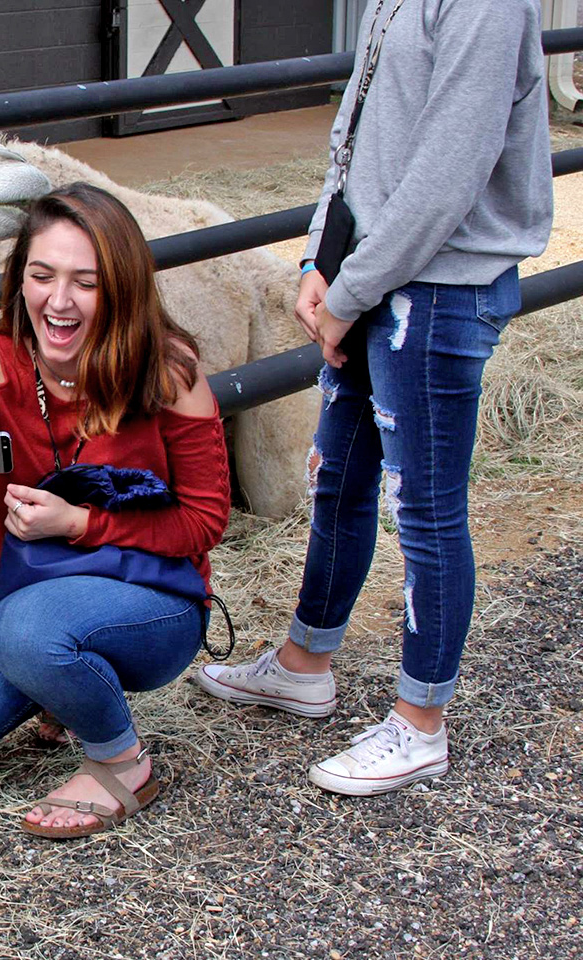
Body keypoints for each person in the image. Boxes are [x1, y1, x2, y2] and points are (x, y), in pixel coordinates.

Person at [196, 0, 553, 796]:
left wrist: (348, 293)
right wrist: (322, 263)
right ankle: (304, 663)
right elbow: (353, 137)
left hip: (435, 289)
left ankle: (421, 721)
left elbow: (446, 177)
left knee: (424, 508)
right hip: (378, 277)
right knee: (341, 479)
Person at [0, 183, 231, 837]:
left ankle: (121, 762)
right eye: (42, 275)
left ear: (119, 287)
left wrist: (80, 524)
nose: (58, 302)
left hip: (154, 605)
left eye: (85, 283)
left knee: (28, 629)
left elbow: (205, 522)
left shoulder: (166, 374)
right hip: (30, 603)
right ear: (20, 280)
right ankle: (56, 682)